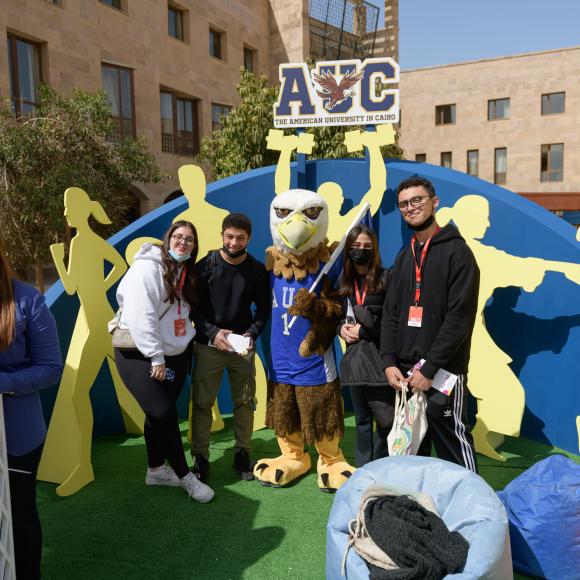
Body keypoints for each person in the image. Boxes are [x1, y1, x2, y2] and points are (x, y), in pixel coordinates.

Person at [381, 176, 480, 472]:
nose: (410, 208)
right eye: (403, 204)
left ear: (434, 202)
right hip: (405, 370)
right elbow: (390, 313)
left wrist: (429, 368)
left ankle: (471, 510)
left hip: (443, 370)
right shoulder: (404, 256)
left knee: (452, 441)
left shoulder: (458, 253)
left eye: (417, 200)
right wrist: (388, 362)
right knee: (413, 452)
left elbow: (459, 318)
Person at [114, 220, 214, 503]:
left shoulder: (186, 271)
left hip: (177, 353)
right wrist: (156, 357)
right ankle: (186, 477)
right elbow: (140, 316)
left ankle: (156, 470)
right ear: (168, 238)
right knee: (162, 413)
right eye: (178, 237)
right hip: (141, 353)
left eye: (190, 240)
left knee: (158, 413)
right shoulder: (147, 268)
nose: (183, 243)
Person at [0, 235, 63, 579]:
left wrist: (3, 384)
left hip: (17, 436)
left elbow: (51, 368)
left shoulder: (27, 300)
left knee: (19, 515)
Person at [191, 213, 270, 482]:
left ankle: (242, 454)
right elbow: (194, 310)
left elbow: (263, 311)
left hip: (241, 349)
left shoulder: (257, 270)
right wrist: (213, 333)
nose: (234, 242)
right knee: (202, 404)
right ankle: (200, 459)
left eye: (240, 238)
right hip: (208, 347)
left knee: (245, 403)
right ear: (222, 235)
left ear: (249, 238)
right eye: (229, 236)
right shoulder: (205, 266)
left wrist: (250, 334)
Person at [338, 224, 393, 467]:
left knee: (384, 420)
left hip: (381, 359)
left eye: (367, 247)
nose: (361, 250)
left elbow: (393, 324)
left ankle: (380, 466)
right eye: (356, 246)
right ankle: (362, 469)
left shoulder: (386, 278)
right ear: (348, 249)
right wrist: (340, 328)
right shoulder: (343, 282)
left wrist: (366, 329)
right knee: (361, 417)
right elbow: (336, 316)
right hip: (355, 361)